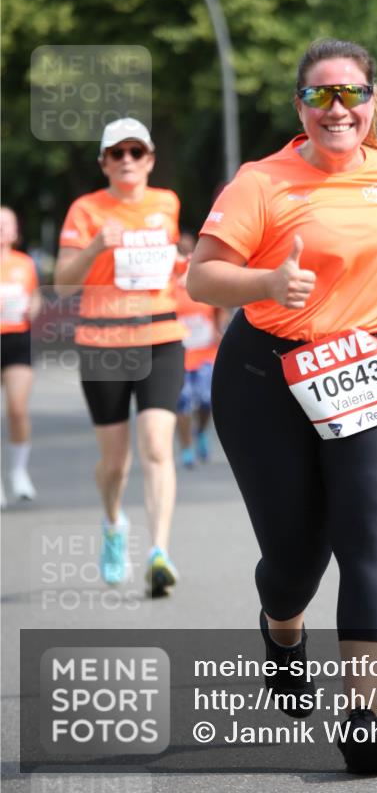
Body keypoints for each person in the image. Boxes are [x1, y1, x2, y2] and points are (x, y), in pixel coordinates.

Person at [187, 38, 377, 774]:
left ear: (372, 103)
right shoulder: (261, 182)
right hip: (265, 377)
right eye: (319, 96)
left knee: (367, 534)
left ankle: (363, 714)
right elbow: (203, 277)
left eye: (350, 94)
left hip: (374, 365)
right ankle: (282, 634)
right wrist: (263, 287)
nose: (336, 109)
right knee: (294, 559)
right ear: (299, 106)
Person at [53, 119, 187, 596]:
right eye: (117, 153)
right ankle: (114, 526)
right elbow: (64, 282)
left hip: (160, 334)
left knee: (156, 444)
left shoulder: (167, 203)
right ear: (104, 163)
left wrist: (182, 268)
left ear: (150, 158)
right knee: (116, 462)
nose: (127, 160)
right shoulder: (86, 209)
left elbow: (167, 263)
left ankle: (160, 552)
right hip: (103, 342)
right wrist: (95, 246)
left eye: (136, 151)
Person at [173, 232, 228, 468]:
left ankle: (201, 433)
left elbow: (221, 304)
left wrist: (219, 328)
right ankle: (186, 449)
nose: (186, 253)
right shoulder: (168, 280)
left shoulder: (202, 275)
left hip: (206, 351)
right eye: (181, 248)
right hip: (181, 352)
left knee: (207, 400)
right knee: (183, 401)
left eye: (189, 249)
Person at [1, 206, 41, 505]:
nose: (2, 229)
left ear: (16, 231)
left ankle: (17, 471)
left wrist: (33, 309)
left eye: (7, 224)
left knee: (17, 409)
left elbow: (36, 296)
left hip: (17, 338)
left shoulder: (25, 262)